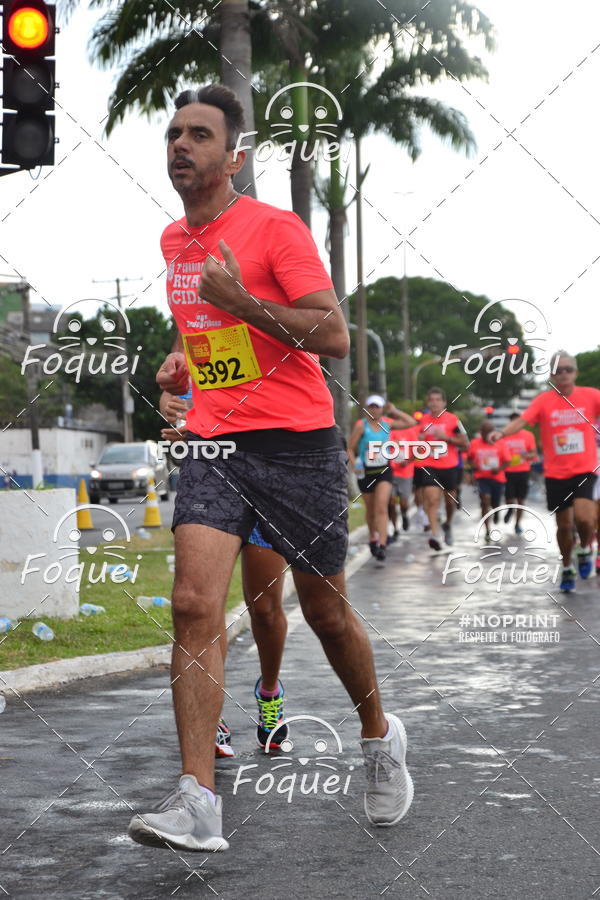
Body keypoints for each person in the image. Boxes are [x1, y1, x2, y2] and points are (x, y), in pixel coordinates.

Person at [128, 84, 413, 853]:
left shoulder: (275, 229)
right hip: (216, 442)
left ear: (234, 157)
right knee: (193, 604)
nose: (181, 145)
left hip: (297, 443)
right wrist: (183, 362)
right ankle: (197, 799)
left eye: (199, 134)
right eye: (174, 133)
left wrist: (243, 300)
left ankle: (378, 734)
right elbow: (204, 331)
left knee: (325, 613)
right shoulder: (172, 240)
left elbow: (333, 335)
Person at [159, 391, 289, 757]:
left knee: (265, 609)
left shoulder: (276, 362)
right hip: (209, 485)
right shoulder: (191, 365)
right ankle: (210, 714)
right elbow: (177, 432)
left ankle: (270, 692)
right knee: (203, 605)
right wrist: (173, 417)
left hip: (266, 483)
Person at [491, 352, 600, 593]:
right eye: (558, 370)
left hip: (584, 470)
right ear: (551, 375)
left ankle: (585, 549)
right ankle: (567, 566)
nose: (563, 374)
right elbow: (522, 421)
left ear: (575, 373)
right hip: (555, 474)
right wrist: (502, 433)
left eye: (568, 369)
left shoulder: (591, 396)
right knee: (564, 526)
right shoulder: (543, 401)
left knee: (584, 518)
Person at [348, 395, 416, 563]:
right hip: (366, 472)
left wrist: (394, 411)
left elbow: (411, 422)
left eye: (377, 407)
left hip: (384, 470)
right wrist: (355, 464)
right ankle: (373, 536)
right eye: (371, 407)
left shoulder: (387, 423)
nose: (374, 410)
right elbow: (349, 448)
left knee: (381, 507)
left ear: (381, 409)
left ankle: (383, 544)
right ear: (367, 409)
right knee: (371, 510)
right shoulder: (361, 426)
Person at [415, 387, 469, 551]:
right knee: (432, 499)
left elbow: (465, 443)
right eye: (431, 400)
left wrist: (447, 438)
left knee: (450, 502)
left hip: (449, 466)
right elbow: (414, 439)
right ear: (427, 402)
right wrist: (419, 439)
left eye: (438, 400)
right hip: (429, 465)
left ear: (444, 403)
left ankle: (447, 524)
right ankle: (435, 535)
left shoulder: (453, 420)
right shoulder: (422, 421)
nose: (434, 403)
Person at [467, 421, 512, 540]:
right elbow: (469, 458)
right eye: (484, 432)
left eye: (489, 432)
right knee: (485, 500)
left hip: (498, 478)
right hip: (482, 478)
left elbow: (508, 461)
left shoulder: (501, 443)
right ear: (481, 432)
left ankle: (496, 512)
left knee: (495, 503)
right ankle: (487, 530)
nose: (486, 435)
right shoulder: (474, 443)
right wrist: (473, 465)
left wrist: (499, 469)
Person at [499, 412, 538, 534]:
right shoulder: (504, 436)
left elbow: (534, 453)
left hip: (523, 471)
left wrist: (526, 455)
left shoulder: (528, 435)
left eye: (518, 422)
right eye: (513, 422)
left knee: (521, 500)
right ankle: (510, 509)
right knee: (509, 498)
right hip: (508, 471)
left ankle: (517, 524)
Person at [388, 420, 422, 535]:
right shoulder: (388, 431)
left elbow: (418, 450)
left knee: (403, 503)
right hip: (390, 472)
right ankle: (395, 528)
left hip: (406, 473)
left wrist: (408, 461)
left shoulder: (410, 431)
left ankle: (404, 514)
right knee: (391, 502)